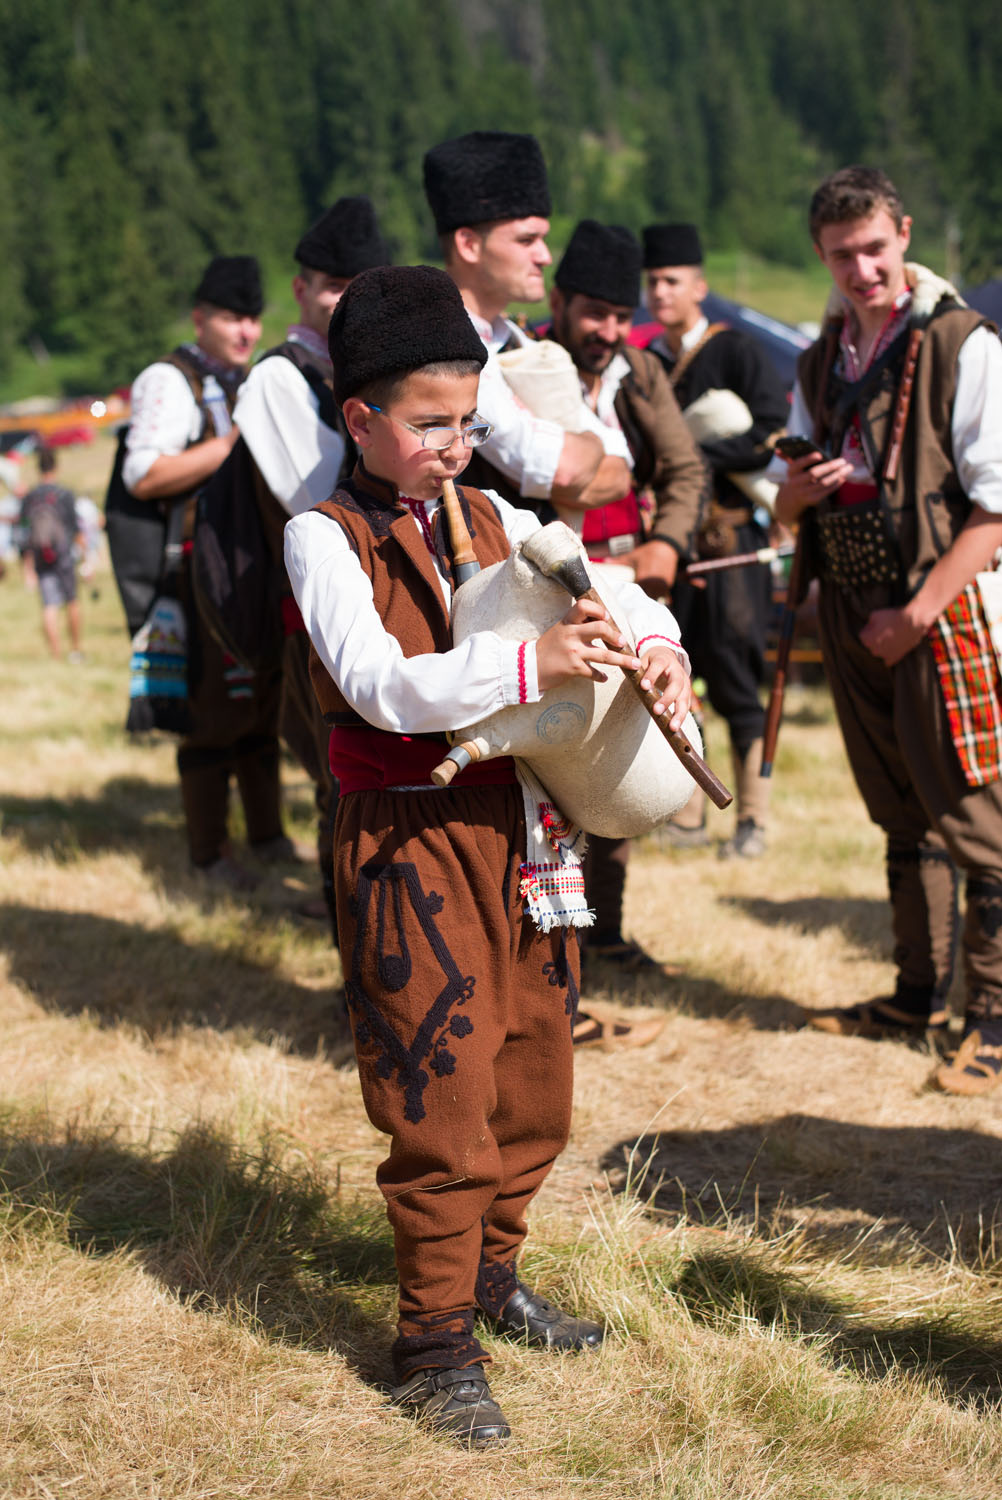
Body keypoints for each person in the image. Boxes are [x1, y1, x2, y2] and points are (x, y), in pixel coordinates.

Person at [284, 264, 693, 1445]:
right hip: (406, 840)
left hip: (518, 833)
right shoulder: (324, 537)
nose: (456, 446)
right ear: (359, 417)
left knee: (534, 1074)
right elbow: (378, 686)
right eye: (428, 425)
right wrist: (530, 670)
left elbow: (601, 581)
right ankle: (432, 1342)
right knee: (440, 1086)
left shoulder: (493, 514)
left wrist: (655, 643)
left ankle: (491, 1277)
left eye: (467, 421)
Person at [772, 165, 1002, 1096]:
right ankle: (916, 993)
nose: (862, 269)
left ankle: (991, 1020)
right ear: (820, 256)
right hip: (852, 611)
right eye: (842, 255)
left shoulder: (963, 343)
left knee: (978, 821)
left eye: (875, 248)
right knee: (898, 816)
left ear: (903, 233)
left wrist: (915, 614)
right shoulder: (820, 360)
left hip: (936, 612)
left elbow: (993, 513)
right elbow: (784, 511)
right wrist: (794, 495)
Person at [547, 218, 707, 979]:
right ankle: (551, 940)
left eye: (619, 315)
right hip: (556, 596)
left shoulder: (640, 377)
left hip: (637, 595)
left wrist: (667, 551)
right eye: (593, 314)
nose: (607, 330)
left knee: (624, 757)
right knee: (553, 759)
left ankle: (602, 929)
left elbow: (683, 471)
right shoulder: (527, 368)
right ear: (561, 302)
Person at [233, 196, 390, 936]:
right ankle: (355, 973)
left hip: (369, 615)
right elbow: (321, 505)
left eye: (359, 288)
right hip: (312, 624)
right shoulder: (279, 378)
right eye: (331, 286)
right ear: (301, 288)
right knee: (343, 789)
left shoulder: (361, 372)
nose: (344, 301)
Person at [124, 255, 292, 889]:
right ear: (200, 317)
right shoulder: (169, 381)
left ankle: (268, 837)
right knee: (213, 711)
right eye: (230, 318)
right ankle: (208, 854)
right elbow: (142, 475)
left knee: (262, 705)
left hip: (245, 566)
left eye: (251, 318)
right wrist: (228, 445)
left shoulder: (241, 379)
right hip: (198, 571)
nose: (245, 331)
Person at [643, 222, 789, 856]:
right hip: (677, 548)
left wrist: (694, 452)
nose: (659, 291)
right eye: (652, 281)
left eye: (671, 280)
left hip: (733, 547)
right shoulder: (647, 363)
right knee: (680, 674)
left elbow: (771, 435)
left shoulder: (738, 352)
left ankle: (751, 819)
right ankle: (688, 814)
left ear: (699, 286)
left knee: (734, 676)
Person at [423, 130, 635, 521]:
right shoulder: (439, 348)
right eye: (526, 240)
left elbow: (621, 468)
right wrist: (589, 448)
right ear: (469, 244)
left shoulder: (519, 340)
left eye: (544, 239)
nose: (545, 256)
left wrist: (576, 458)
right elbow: (561, 469)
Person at [19, 446, 83, 660]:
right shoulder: (64, 494)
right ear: (55, 467)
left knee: (49, 605)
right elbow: (75, 528)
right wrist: (86, 559)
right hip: (63, 554)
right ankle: (75, 650)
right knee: (71, 600)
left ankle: (55, 654)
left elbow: (24, 530)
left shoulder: (31, 496)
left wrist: (26, 565)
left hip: (40, 555)